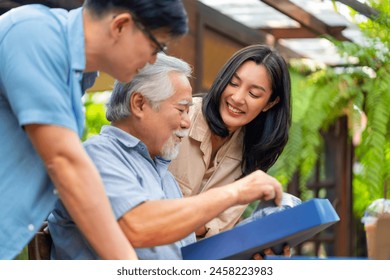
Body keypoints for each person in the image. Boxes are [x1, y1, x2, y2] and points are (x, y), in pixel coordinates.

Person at [47, 53, 284, 260]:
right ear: (139, 104)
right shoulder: (97, 156)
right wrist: (236, 192)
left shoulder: (162, 175)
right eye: (182, 109)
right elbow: (139, 226)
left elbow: (189, 258)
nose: (187, 121)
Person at [0, 0, 188, 260]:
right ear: (121, 25)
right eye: (155, 46)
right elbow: (65, 161)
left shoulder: (76, 77)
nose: (153, 60)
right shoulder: (34, 32)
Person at [168, 44, 292, 238]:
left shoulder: (252, 152)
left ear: (270, 103)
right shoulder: (181, 118)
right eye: (233, 84)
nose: (237, 98)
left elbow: (220, 229)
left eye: (254, 94)